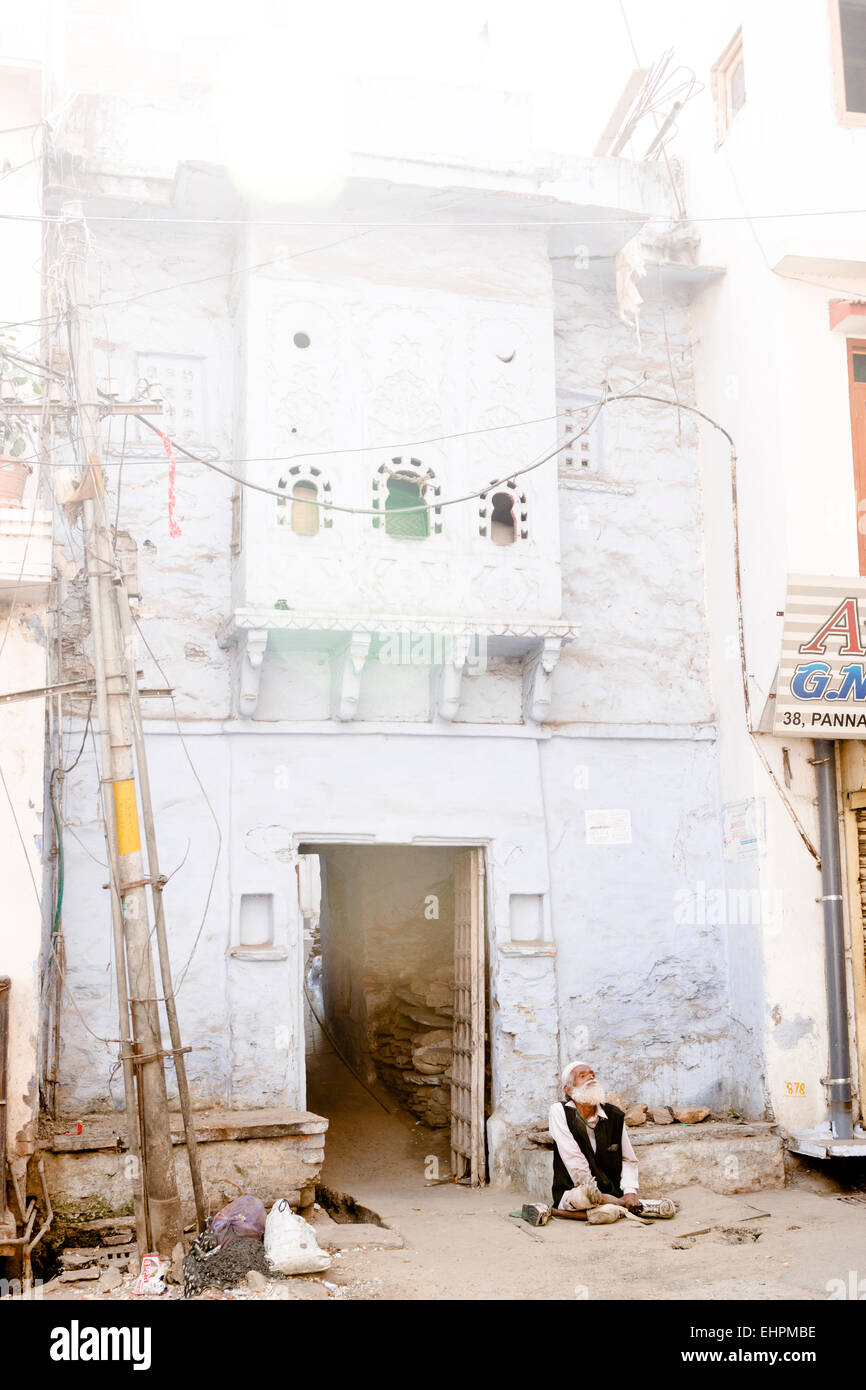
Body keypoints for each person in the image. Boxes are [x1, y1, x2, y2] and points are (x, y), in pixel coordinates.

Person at [549, 1060, 641, 1214]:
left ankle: (609, 1207)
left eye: (592, 1074)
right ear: (569, 1090)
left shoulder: (614, 1115)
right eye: (582, 1075)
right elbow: (573, 1157)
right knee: (583, 1201)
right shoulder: (559, 1111)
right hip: (575, 1190)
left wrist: (630, 1191)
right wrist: (594, 1194)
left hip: (612, 1191)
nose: (591, 1077)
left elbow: (628, 1158)